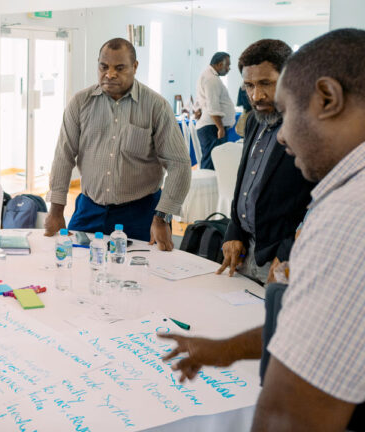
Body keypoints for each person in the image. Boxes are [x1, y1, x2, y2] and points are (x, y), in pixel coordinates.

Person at [160, 29, 365, 431]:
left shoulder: (349, 215)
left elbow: (290, 416)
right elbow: (320, 324)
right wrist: (227, 349)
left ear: (327, 98)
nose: (283, 136)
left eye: (289, 112)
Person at [44, 38, 191, 250]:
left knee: (137, 277)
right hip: (88, 209)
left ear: (135, 67)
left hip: (140, 213)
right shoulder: (80, 102)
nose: (110, 74)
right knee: (77, 268)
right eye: (104, 67)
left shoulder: (155, 106)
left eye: (119, 68)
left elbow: (179, 164)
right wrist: (56, 210)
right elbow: (63, 156)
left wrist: (162, 217)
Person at [216, 39, 315, 284]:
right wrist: (234, 230)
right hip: (243, 251)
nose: (255, 95)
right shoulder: (253, 121)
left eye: (265, 84)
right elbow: (244, 181)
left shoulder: (309, 126)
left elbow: (319, 202)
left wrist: (289, 251)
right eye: (248, 85)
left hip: (281, 256)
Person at [195, 51, 235, 170]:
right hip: (213, 127)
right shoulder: (211, 79)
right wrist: (220, 128)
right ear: (218, 64)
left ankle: (212, 188)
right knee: (212, 162)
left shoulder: (209, 76)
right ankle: (209, 188)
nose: (229, 68)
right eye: (227, 65)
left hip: (212, 126)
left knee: (215, 161)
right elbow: (213, 106)